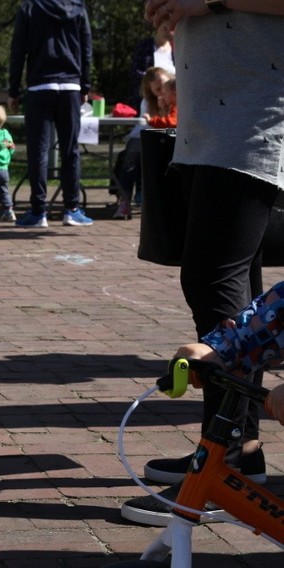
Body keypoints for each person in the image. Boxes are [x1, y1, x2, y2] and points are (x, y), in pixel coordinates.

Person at [120, 0, 284, 527]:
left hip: (252, 115)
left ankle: (222, 465)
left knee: (212, 275)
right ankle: (242, 450)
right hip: (213, 115)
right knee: (239, 280)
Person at [8, 0, 94, 228]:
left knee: (38, 151)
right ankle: (71, 209)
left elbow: (18, 50)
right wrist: (85, 86)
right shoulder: (78, 8)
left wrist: (13, 90)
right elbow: (86, 49)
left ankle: (39, 211)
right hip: (70, 87)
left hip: (39, 87)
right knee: (70, 150)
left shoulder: (29, 8)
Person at [115, 66, 173, 219]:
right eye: (157, 89)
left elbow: (172, 123)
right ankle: (124, 202)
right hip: (143, 135)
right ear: (150, 90)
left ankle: (148, 199)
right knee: (130, 159)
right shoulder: (147, 103)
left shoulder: (177, 97)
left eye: (165, 86)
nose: (162, 92)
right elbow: (149, 124)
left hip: (164, 137)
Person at [128, 20, 175, 112]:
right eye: (165, 28)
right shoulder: (144, 46)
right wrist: (154, 82)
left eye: (172, 29)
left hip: (171, 104)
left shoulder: (176, 49)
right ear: (157, 27)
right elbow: (135, 72)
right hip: (150, 103)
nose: (169, 32)